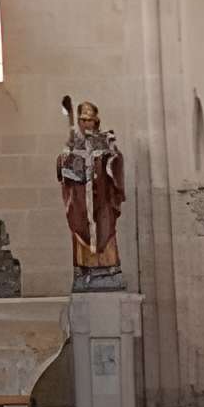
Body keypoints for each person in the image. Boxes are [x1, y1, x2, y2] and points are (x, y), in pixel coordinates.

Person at [56, 98, 125, 289]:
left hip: (101, 198)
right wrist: (65, 159)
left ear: (96, 121)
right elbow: (63, 169)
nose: (86, 123)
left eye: (89, 120)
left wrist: (107, 160)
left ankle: (109, 269)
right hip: (81, 199)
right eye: (83, 120)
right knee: (81, 228)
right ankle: (85, 270)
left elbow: (116, 161)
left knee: (105, 229)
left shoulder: (105, 140)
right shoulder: (74, 143)